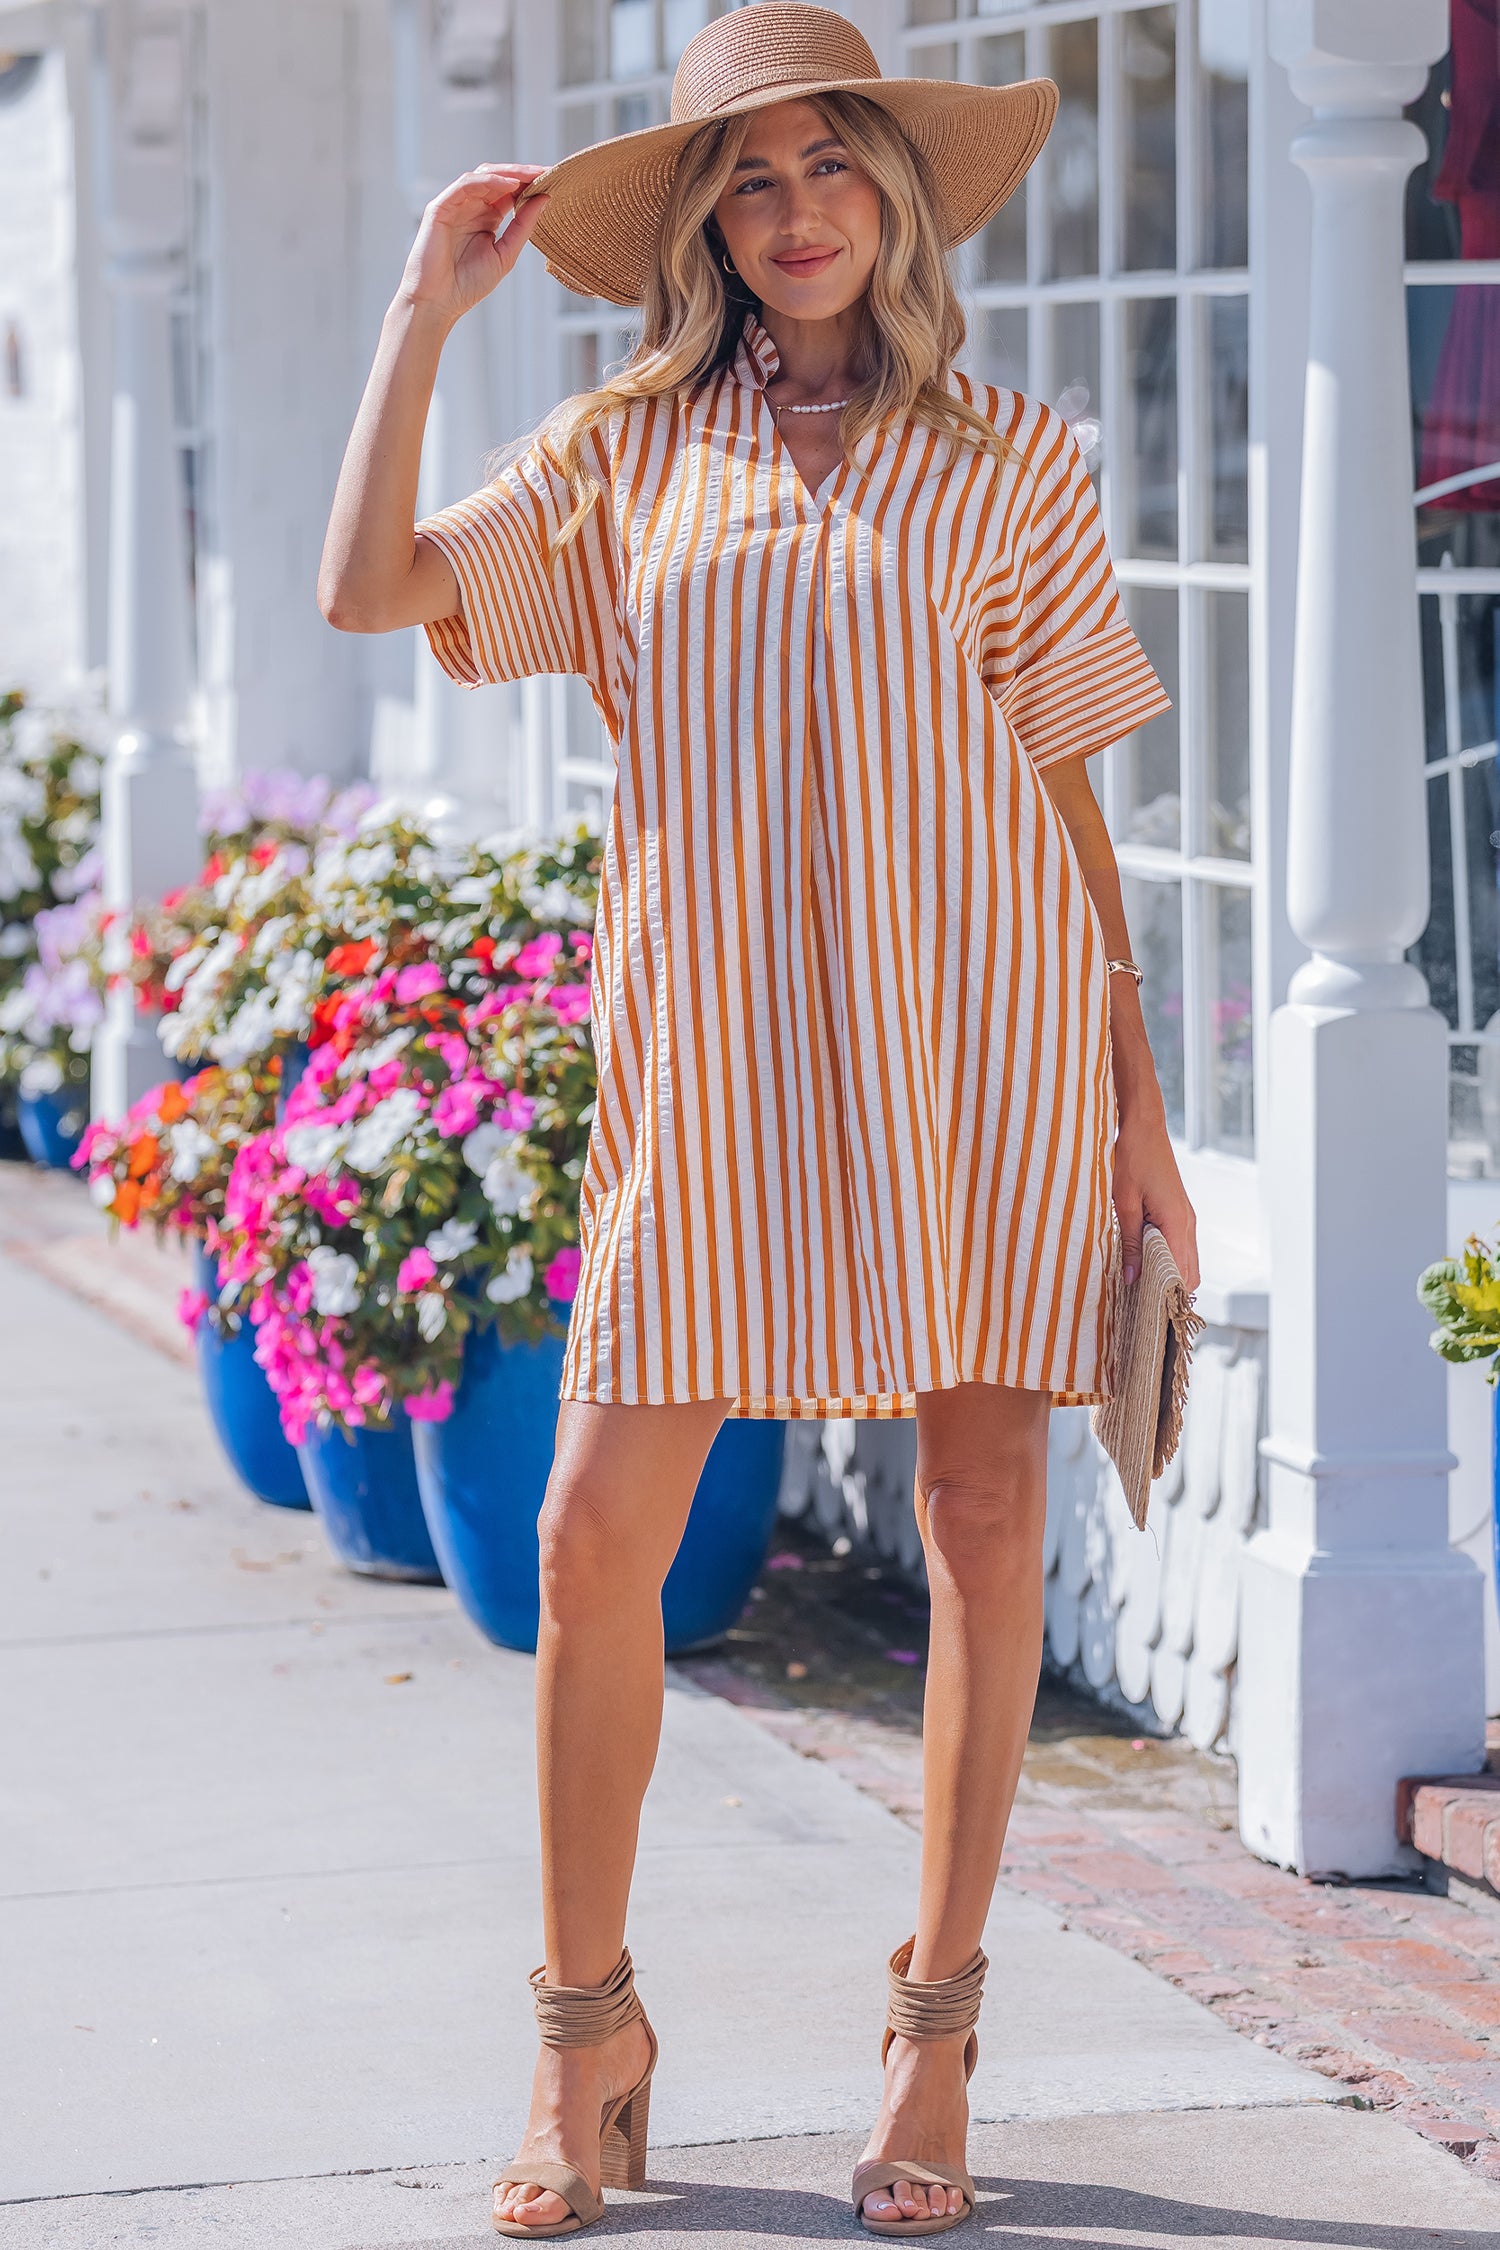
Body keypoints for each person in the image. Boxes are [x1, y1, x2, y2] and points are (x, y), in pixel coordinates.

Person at [319, 5, 1198, 2236]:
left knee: (985, 1509)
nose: (794, 212)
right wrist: (422, 320)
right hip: (709, 1058)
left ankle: (936, 2032)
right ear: (705, 219)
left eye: (830, 167)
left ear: (894, 192)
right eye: (749, 175)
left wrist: (1140, 1110)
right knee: (589, 1537)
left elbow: (1077, 807)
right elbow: (373, 588)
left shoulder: (1017, 461)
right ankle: (582, 2030)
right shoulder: (627, 456)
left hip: (979, 1039)